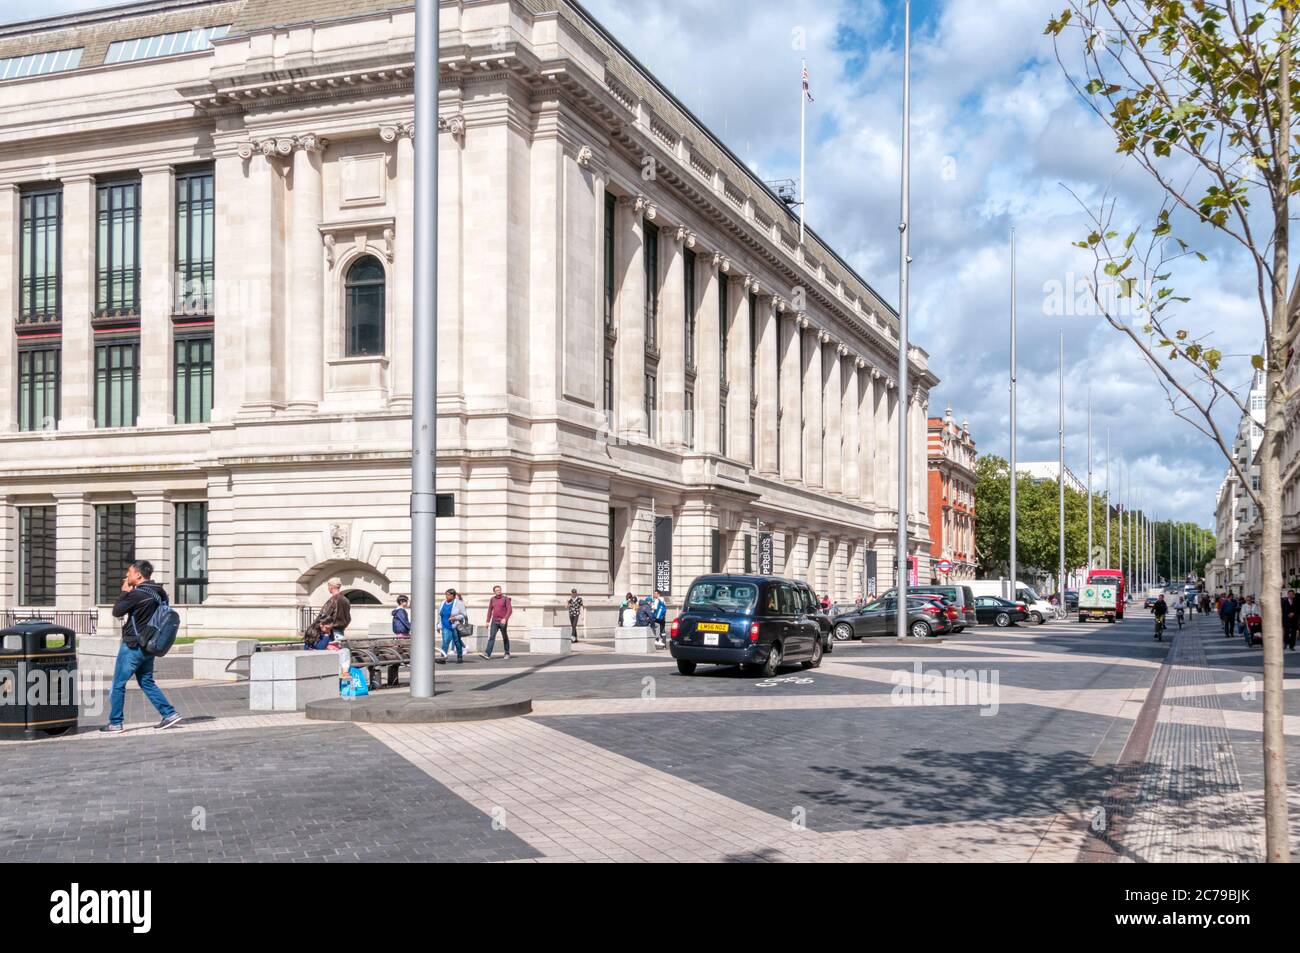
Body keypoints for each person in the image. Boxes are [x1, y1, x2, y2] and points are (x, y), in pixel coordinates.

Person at [101, 560, 182, 733]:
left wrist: (124, 592)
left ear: (138, 575)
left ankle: (115, 722)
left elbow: (117, 611)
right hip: (150, 645)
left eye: (129, 572)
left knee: (118, 684)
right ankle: (169, 714)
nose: (126, 576)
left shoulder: (137, 594)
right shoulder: (160, 593)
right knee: (146, 681)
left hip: (133, 645)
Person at [313, 578, 351, 648]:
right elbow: (348, 618)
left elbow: (325, 616)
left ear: (331, 587)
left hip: (332, 632)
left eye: (328, 586)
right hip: (341, 631)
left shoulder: (333, 600)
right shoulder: (346, 600)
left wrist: (318, 624)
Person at [480, 585, 513, 660]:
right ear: (494, 592)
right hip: (494, 621)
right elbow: (489, 610)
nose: (499, 591)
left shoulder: (506, 599)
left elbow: (509, 610)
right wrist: (487, 621)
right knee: (492, 636)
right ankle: (487, 654)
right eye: (497, 590)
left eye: (499, 590)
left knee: (504, 636)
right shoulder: (492, 599)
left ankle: (507, 653)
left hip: (502, 621)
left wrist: (505, 618)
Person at [439, 589, 467, 663]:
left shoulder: (459, 603)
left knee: (457, 641)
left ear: (453, 595)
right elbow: (439, 615)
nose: (447, 596)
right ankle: (443, 658)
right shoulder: (442, 603)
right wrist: (438, 625)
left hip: (455, 626)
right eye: (446, 594)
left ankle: (459, 657)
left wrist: (455, 618)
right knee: (445, 642)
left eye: (448, 594)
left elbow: (463, 615)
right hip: (445, 626)